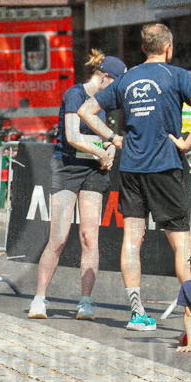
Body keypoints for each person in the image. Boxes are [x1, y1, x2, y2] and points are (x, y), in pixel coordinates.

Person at [78, 23, 191, 331]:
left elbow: (86, 110)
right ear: (168, 46)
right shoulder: (177, 75)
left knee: (132, 241)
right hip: (166, 166)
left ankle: (137, 314)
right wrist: (189, 142)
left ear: (143, 49)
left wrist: (113, 137)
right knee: (181, 244)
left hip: (132, 168)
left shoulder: (126, 79)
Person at [28, 51, 126, 321]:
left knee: (89, 238)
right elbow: (72, 136)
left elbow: (103, 138)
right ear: (104, 77)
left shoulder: (102, 103)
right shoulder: (75, 94)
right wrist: (102, 151)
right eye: (116, 85)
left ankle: (86, 302)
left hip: (92, 172)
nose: (117, 92)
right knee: (58, 238)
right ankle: (39, 299)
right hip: (68, 168)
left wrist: (109, 152)